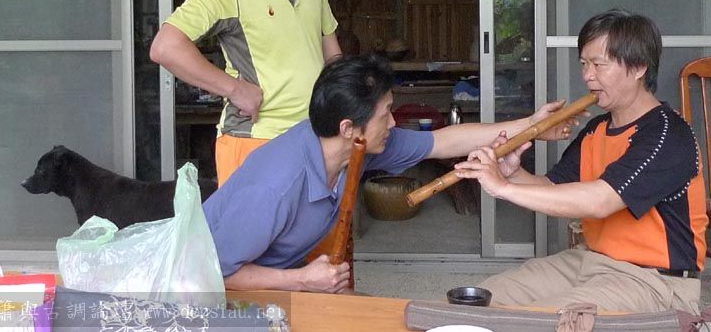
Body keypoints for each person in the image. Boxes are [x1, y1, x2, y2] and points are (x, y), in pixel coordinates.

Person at [203, 54, 579, 293]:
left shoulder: (354, 145)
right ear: (349, 127)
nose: (394, 122)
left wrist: (531, 126)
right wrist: (300, 280)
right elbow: (214, 274)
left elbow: (444, 141)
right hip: (206, 296)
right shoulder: (275, 185)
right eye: (386, 113)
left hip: (270, 285)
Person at [455, 9, 708, 314]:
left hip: (654, 280)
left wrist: (502, 188)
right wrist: (513, 173)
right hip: (591, 261)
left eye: (599, 65)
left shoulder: (669, 135)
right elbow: (552, 188)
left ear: (639, 66)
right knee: (482, 299)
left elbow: (601, 201)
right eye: (584, 64)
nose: (588, 76)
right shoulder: (596, 129)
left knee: (540, 321)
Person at [150, 0, 341, 186]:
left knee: (317, 219)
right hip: (256, 140)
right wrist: (234, 89)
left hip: (314, 133)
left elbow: (329, 48)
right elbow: (165, 47)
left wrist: (343, 96)